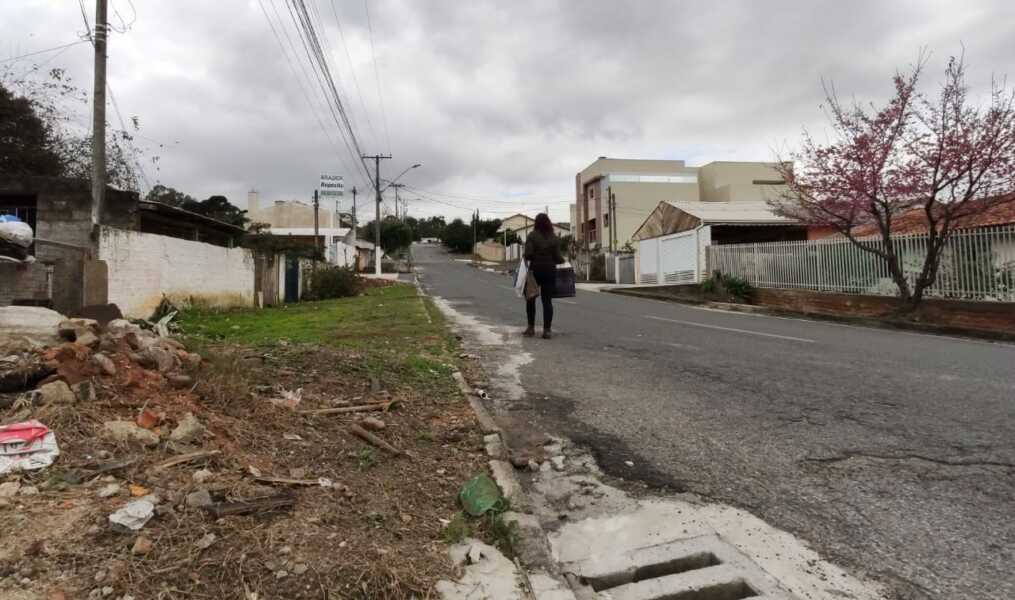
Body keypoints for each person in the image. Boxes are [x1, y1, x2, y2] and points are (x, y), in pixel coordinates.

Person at [522, 213, 564, 339]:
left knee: (531, 299)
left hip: (535, 270)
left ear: (536, 223)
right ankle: (547, 331)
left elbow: (528, 254)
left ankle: (531, 328)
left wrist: (530, 256)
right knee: (547, 301)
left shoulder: (532, 235)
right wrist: (560, 261)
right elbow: (558, 258)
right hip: (550, 270)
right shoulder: (554, 237)